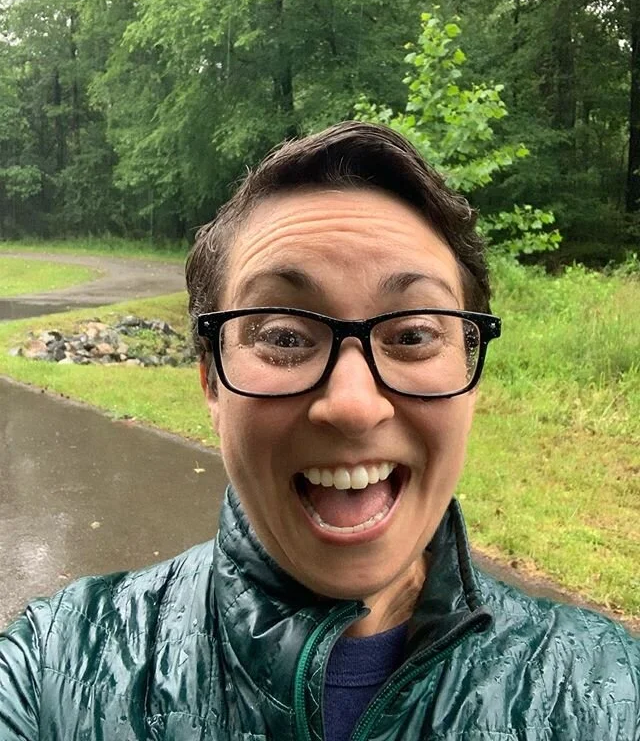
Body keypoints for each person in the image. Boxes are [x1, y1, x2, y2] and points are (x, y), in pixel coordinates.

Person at [0, 122, 638, 740]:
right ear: (210, 382)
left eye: (414, 334)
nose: (354, 406)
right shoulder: (51, 669)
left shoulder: (612, 689)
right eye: (283, 337)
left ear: (469, 374)